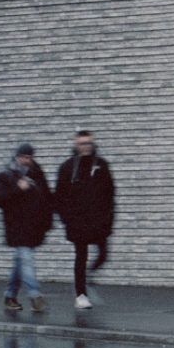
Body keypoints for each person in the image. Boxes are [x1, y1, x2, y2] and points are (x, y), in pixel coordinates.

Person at [52, 129, 117, 309]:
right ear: (76, 145)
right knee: (81, 256)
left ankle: (88, 276)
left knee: (103, 254)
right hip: (78, 222)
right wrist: (67, 219)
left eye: (88, 143)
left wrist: (109, 218)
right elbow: (59, 196)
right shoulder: (68, 167)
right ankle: (81, 295)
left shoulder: (101, 165)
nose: (86, 147)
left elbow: (110, 193)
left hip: (98, 221)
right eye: (82, 144)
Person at [0, 142, 55, 316]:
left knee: (20, 262)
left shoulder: (37, 174)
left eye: (29, 157)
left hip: (33, 226)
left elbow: (47, 198)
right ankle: (35, 296)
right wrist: (18, 188)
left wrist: (47, 222)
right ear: (17, 156)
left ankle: (10, 296)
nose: (26, 160)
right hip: (16, 227)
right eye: (24, 157)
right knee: (26, 258)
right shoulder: (6, 175)